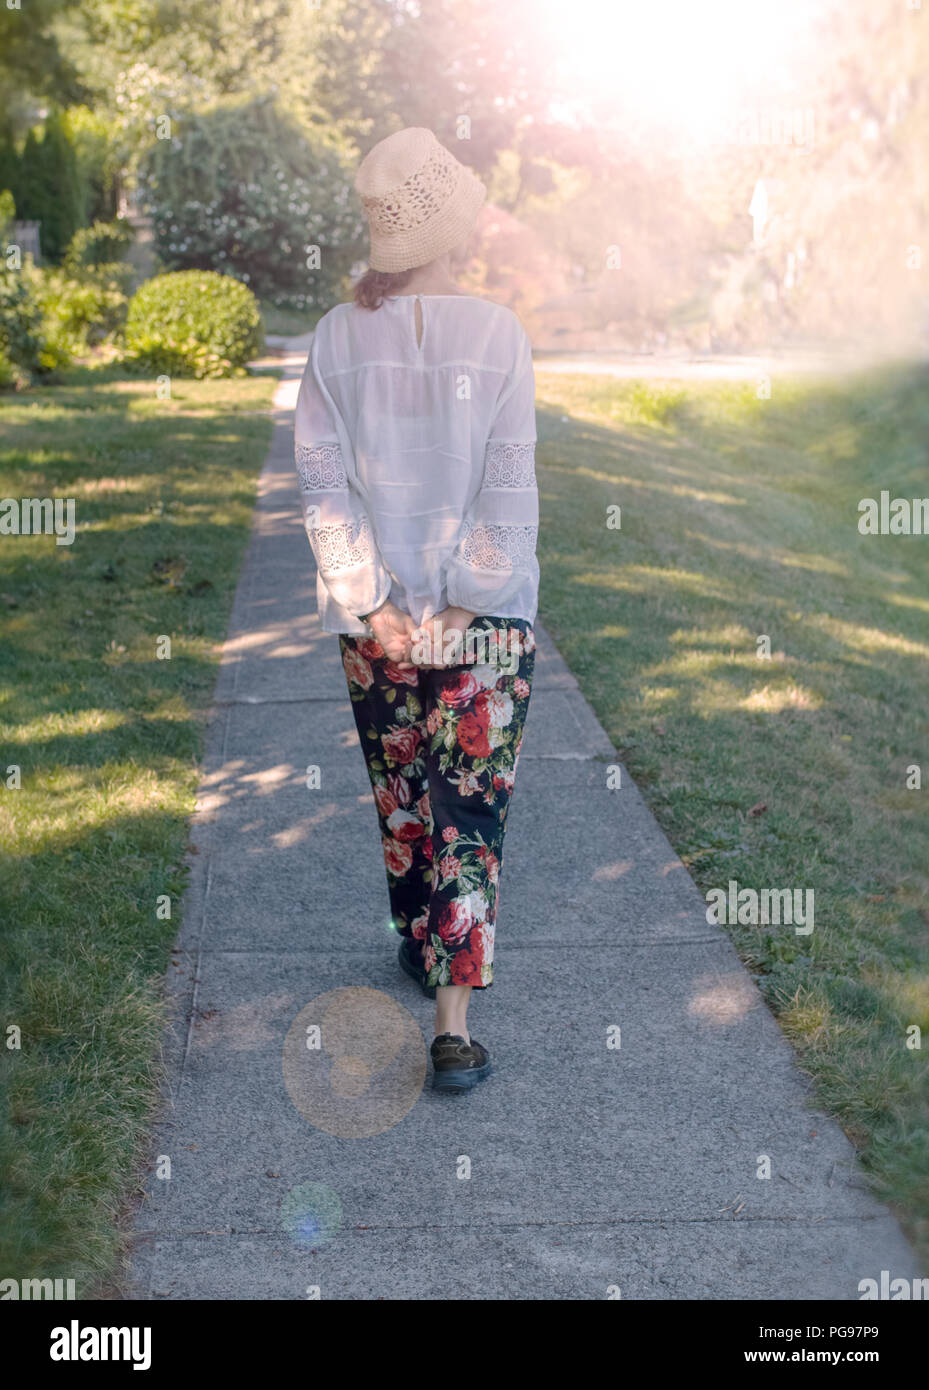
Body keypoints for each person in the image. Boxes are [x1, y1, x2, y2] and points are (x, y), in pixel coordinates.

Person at [293, 127, 539, 1093]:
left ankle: (418, 939)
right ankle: (452, 1023)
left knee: (404, 801)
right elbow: (507, 490)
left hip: (376, 627)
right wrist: (465, 604)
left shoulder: (333, 336)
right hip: (486, 627)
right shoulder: (500, 333)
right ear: (455, 223)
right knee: (465, 814)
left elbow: (321, 488)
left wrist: (376, 603)